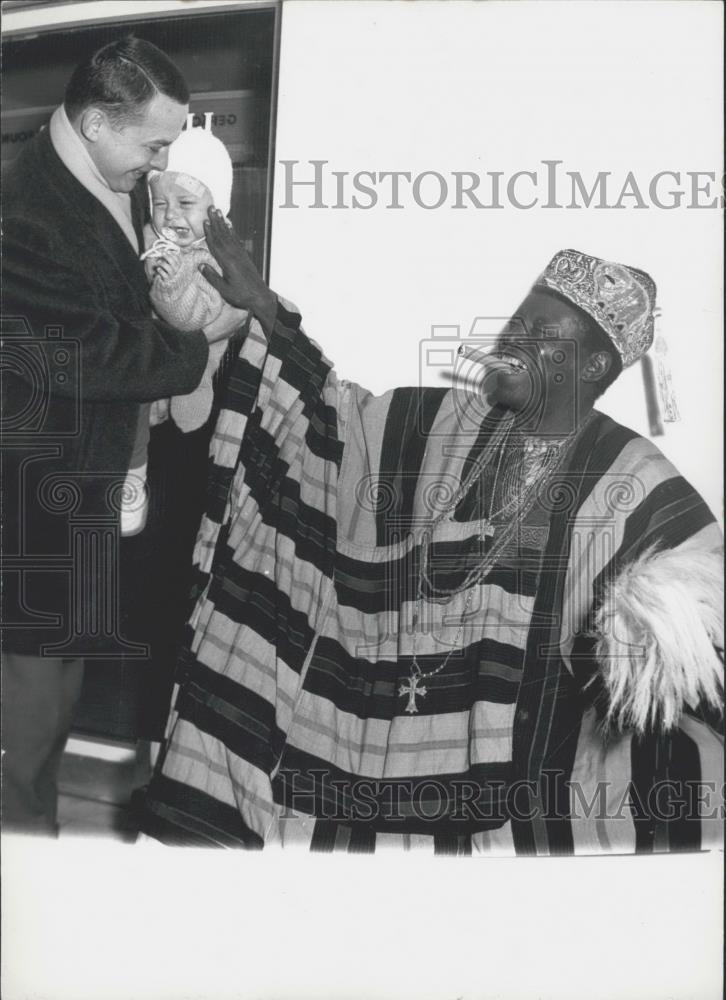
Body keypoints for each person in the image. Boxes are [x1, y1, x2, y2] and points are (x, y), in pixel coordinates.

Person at [143, 221, 723, 854]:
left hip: (519, 762)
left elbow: (700, 599)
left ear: (594, 364)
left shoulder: (628, 473)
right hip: (380, 707)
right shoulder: (456, 421)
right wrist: (267, 313)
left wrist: (648, 625)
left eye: (540, 337)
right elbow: (340, 422)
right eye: (516, 326)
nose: (512, 344)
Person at [1, 37, 241, 834]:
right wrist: (193, 340)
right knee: (27, 719)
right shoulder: (24, 206)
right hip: (35, 502)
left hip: (86, 488)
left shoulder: (110, 177)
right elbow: (78, 351)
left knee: (56, 687)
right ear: (101, 122)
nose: (162, 164)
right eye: (154, 144)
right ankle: (23, 864)